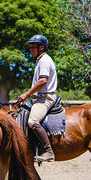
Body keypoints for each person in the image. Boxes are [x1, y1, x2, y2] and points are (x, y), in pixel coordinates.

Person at [17, 34, 57, 162]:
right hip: (38, 98)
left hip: (45, 98)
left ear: (41, 47)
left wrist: (26, 94)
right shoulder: (39, 60)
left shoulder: (45, 60)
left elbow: (43, 81)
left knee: (32, 121)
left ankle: (48, 151)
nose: (30, 49)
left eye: (33, 46)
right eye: (30, 47)